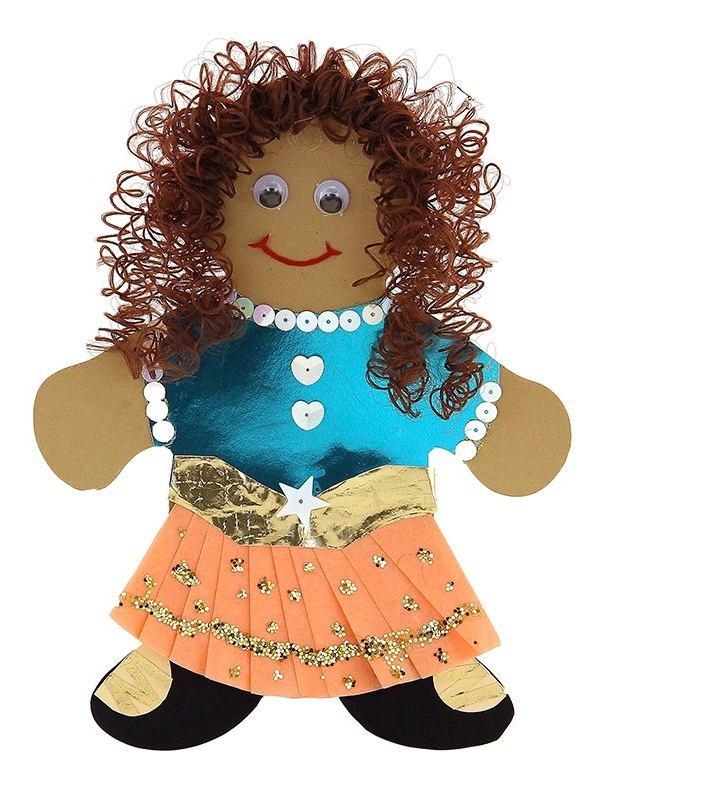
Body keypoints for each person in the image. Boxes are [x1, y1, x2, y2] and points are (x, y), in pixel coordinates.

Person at [34, 41, 570, 751]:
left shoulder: (412, 351)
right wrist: (93, 410)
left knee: (398, 616)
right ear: (208, 204)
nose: (299, 224)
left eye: (334, 202)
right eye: (268, 196)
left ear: (403, 217)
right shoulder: (200, 343)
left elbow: (507, 429)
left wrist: (517, 427)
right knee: (203, 607)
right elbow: (111, 406)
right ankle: (191, 669)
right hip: (224, 539)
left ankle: (411, 673)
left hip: (379, 544)